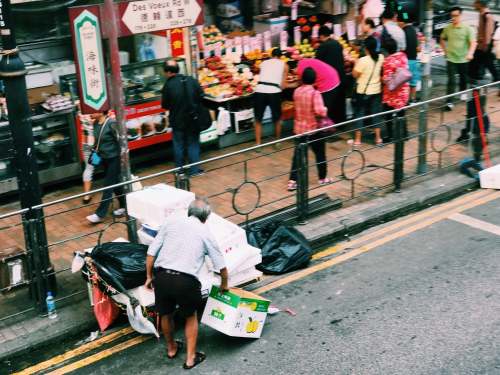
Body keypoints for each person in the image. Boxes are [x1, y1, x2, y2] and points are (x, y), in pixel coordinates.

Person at [145, 198, 229, 370]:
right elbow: (221, 264)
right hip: (186, 281)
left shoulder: (171, 222)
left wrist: (148, 276)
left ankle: (171, 348)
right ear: (206, 218)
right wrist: (224, 284)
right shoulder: (205, 232)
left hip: (162, 276)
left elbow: (151, 252)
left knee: (165, 314)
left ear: (189, 212)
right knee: (190, 317)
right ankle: (190, 358)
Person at [287, 68, 331, 191]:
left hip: (299, 128)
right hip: (313, 129)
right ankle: (322, 178)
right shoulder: (314, 93)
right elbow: (320, 111)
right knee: (320, 154)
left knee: (298, 156)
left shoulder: (296, 91)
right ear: (314, 79)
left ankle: (292, 181)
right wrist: (325, 109)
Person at [161, 58, 204, 176]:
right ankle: (194, 170)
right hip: (192, 118)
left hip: (177, 120)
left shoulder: (168, 85)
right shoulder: (191, 80)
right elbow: (201, 94)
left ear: (168, 72)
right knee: (193, 143)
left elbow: (164, 105)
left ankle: (179, 171)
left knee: (178, 144)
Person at [86, 111, 126, 224]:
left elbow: (121, 141)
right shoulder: (95, 124)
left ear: (100, 111)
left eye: (92, 111)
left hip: (114, 158)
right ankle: (125, 205)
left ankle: (100, 214)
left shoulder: (111, 123)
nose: (89, 113)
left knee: (108, 185)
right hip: (104, 158)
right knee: (115, 183)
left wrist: (122, 158)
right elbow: (96, 142)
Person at [440, 6, 477, 111]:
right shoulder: (448, 28)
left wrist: (470, 53)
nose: (454, 18)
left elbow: (473, 43)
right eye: (452, 16)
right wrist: (445, 50)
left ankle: (463, 92)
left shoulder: (467, 28)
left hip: (463, 58)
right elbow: (442, 39)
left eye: (456, 16)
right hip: (451, 58)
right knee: (451, 80)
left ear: (461, 15)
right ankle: (449, 101)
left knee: (463, 78)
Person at [352, 36, 384, 146]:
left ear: (365, 48)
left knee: (360, 114)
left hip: (363, 91)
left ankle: (357, 140)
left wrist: (356, 63)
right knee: (376, 114)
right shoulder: (380, 57)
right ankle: (378, 139)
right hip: (376, 90)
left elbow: (355, 75)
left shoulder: (362, 60)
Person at [254, 48, 288, 145]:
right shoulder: (285, 65)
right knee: (277, 118)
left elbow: (260, 72)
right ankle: (277, 141)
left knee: (258, 119)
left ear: (271, 55)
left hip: (260, 90)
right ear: (281, 57)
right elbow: (283, 86)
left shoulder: (263, 63)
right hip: (274, 92)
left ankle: (258, 143)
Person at [316, 25, 347, 124]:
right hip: (341, 75)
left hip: (330, 79)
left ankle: (331, 123)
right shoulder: (337, 43)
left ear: (321, 36)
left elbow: (317, 63)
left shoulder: (323, 46)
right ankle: (341, 122)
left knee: (331, 101)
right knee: (340, 100)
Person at [382, 38, 410, 143]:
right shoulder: (403, 56)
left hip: (392, 93)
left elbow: (386, 79)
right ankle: (404, 134)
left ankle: (390, 135)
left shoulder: (388, 61)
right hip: (403, 89)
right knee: (401, 112)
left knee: (388, 113)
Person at [297, 58, 340, 124]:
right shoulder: (304, 61)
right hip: (334, 77)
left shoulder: (300, 69)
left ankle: (322, 126)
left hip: (327, 84)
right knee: (323, 108)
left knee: (320, 109)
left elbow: (301, 83)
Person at [472, 0, 499, 83]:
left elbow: (488, 34)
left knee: (486, 61)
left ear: (480, 4)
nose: (474, 4)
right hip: (482, 44)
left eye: (476, 2)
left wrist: (485, 47)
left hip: (485, 45)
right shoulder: (482, 13)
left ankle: (496, 78)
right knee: (485, 61)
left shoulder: (487, 15)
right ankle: (475, 76)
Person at [399, 17, 420, 102]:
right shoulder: (413, 30)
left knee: (404, 83)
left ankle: (405, 100)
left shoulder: (402, 32)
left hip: (406, 60)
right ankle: (412, 99)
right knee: (413, 82)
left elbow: (402, 48)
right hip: (414, 60)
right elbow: (418, 47)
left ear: (402, 22)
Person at [80, 113, 95, 205]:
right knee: (110, 165)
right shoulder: (98, 107)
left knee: (89, 167)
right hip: (96, 144)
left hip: (85, 142)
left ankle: (86, 196)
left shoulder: (81, 107)